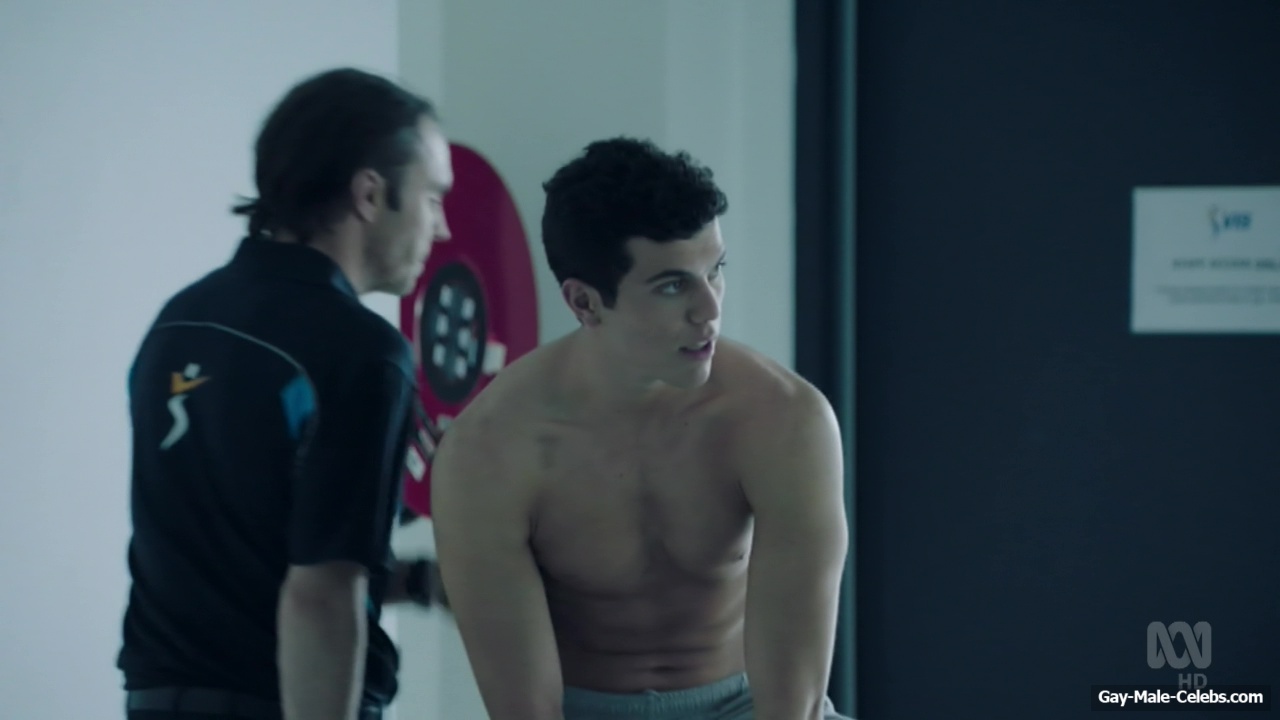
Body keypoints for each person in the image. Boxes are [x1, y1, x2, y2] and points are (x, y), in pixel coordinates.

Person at [431, 137, 853, 720]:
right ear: (585, 302)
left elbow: (793, 707)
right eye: (673, 285)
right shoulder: (490, 451)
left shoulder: (783, 419)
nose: (710, 310)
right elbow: (525, 712)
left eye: (716, 270)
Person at [117, 67, 453, 720]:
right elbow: (320, 594)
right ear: (370, 194)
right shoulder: (361, 352)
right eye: (432, 197)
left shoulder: (178, 321)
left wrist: (420, 583)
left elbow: (241, 559)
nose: (439, 228)